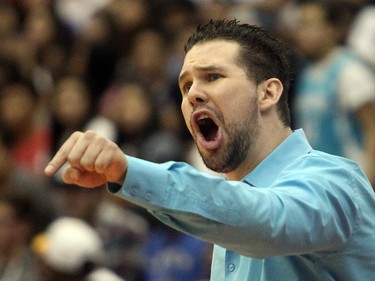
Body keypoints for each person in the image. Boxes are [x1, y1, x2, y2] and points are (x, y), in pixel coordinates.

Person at [44, 19, 375, 281]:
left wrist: (128, 172)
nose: (192, 96)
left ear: (268, 94)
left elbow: (268, 220)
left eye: (213, 77)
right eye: (186, 85)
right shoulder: (227, 213)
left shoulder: (335, 181)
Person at [292, 0, 375, 186]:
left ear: (333, 28)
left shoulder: (350, 70)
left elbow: (372, 127)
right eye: (300, 25)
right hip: (322, 180)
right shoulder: (308, 72)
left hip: (352, 180)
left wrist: (368, 180)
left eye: (310, 25)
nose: (302, 33)